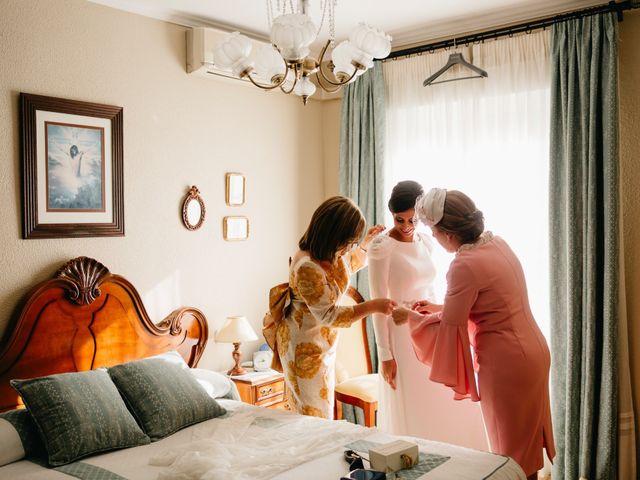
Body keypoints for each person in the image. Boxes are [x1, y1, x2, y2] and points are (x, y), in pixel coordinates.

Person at [392, 188, 555, 480]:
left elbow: (450, 327)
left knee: (510, 453)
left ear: (448, 234)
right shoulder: (497, 244)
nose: (435, 239)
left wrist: (410, 316)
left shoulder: (463, 264)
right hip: (534, 352)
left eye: (433, 231)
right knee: (525, 446)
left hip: (507, 363)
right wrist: (437, 307)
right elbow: (485, 303)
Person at [368, 181, 486, 446]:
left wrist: (440, 318)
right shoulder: (381, 247)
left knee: (441, 398)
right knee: (415, 403)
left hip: (430, 325)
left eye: (413, 219)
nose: (407, 226)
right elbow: (378, 304)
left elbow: (431, 286)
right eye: (400, 220)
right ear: (392, 215)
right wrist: (385, 355)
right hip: (400, 333)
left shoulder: (425, 242)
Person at [278, 196, 396, 419]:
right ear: (333, 235)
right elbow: (329, 315)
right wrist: (373, 306)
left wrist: (363, 246)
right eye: (349, 242)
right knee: (313, 416)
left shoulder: (332, 255)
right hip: (303, 350)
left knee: (323, 412)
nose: (349, 247)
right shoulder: (306, 266)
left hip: (323, 345)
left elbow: (347, 266)